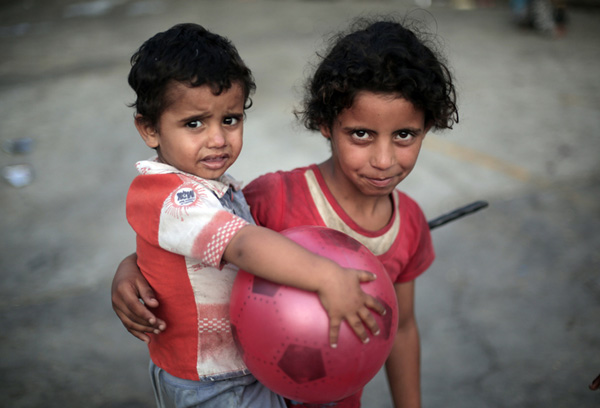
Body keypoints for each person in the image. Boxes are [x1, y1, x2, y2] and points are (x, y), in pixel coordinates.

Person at [113, 17, 459, 408]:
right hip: (237, 388)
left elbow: (402, 327)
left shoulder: (409, 223)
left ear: (428, 127)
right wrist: (131, 268)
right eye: (361, 134)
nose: (383, 160)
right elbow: (210, 241)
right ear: (325, 124)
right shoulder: (271, 199)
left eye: (404, 135)